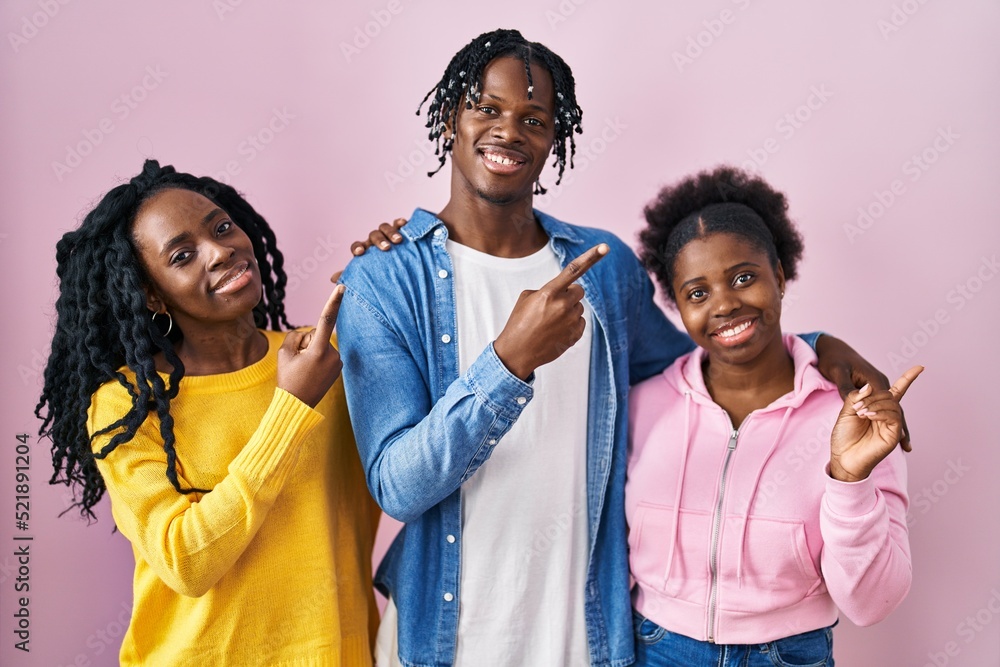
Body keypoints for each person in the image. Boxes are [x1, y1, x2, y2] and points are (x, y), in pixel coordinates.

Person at [337, 29, 899, 667]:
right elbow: (397, 487)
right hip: (445, 637)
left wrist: (820, 346)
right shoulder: (383, 281)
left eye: (534, 118)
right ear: (449, 117)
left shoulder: (601, 269)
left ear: (557, 137)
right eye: (485, 109)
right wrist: (508, 364)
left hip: (587, 636)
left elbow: (700, 364)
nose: (508, 131)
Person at [35, 160, 380, 666]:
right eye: (182, 255)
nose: (221, 251)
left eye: (222, 227)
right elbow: (186, 562)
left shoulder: (327, 360)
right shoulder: (127, 404)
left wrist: (404, 264)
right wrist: (291, 408)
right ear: (151, 292)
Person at [626, 166, 920, 666]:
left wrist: (850, 479)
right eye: (697, 293)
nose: (724, 304)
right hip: (655, 649)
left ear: (780, 276)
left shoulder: (851, 412)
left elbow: (873, 604)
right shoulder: (644, 404)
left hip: (787, 654)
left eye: (744, 277)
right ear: (676, 305)